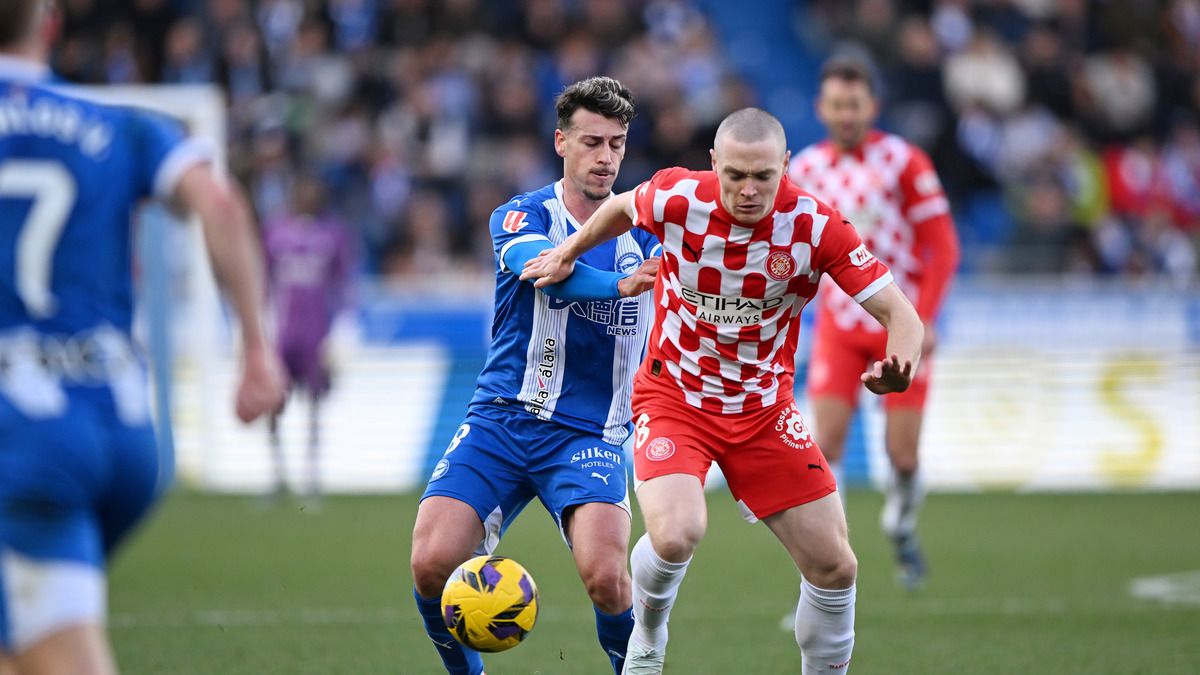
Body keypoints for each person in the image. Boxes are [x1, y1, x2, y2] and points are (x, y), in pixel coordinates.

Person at [522, 107, 924, 674]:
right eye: (735, 175)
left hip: (763, 411)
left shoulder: (816, 227)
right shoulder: (679, 196)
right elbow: (619, 207)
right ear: (714, 164)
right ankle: (650, 635)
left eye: (764, 176)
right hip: (675, 399)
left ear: (786, 166)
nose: (749, 190)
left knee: (836, 567)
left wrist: (901, 360)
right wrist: (569, 251)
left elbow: (902, 316)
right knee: (679, 532)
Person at [0, 2, 286, 674]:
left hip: (20, 429)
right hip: (120, 427)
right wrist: (253, 345)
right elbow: (218, 202)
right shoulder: (118, 123)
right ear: (49, 27)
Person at [408, 76, 660, 675]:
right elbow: (540, 270)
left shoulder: (650, 227)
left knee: (606, 578)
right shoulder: (519, 215)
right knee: (430, 563)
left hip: (590, 433)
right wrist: (618, 284)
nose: (605, 158)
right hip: (502, 417)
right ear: (560, 142)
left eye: (617, 144)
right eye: (592, 142)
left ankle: (637, 666)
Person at [789, 57, 960, 590]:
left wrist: (924, 319)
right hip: (840, 327)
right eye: (836, 105)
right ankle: (831, 565)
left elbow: (943, 246)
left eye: (854, 105)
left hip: (899, 325)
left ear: (872, 107)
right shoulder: (805, 171)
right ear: (821, 108)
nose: (845, 114)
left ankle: (902, 524)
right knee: (826, 447)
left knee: (901, 455)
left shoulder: (903, 161)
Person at [263, 173, 352, 502]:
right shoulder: (275, 232)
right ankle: (277, 474)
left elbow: (344, 284)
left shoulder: (333, 234)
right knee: (274, 402)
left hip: (317, 333)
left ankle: (311, 476)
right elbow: (263, 280)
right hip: (282, 332)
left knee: (314, 404)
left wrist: (343, 330)